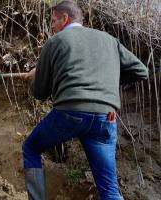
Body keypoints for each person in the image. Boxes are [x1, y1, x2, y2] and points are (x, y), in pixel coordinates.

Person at [22, 1, 149, 199]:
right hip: (106, 117)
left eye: (54, 21)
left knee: (31, 148)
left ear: (65, 18)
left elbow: (39, 92)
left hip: (70, 112)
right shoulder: (109, 40)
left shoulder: (56, 41)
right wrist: (107, 83)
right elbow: (141, 71)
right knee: (109, 188)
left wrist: (36, 77)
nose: (52, 26)